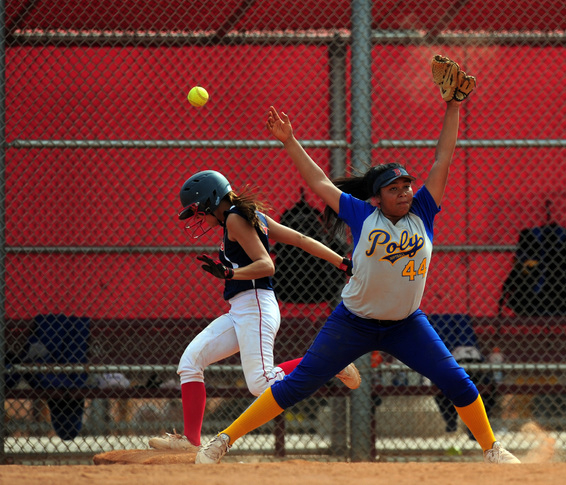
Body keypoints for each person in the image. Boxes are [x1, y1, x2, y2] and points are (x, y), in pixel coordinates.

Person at [195, 61, 520, 464]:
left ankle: (492, 448)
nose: (404, 193)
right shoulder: (363, 216)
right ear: (377, 198)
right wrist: (290, 141)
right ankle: (222, 440)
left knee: (457, 381)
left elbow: (443, 159)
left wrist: (452, 106)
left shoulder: (424, 212)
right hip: (352, 322)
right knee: (297, 385)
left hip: (406, 324)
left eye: (407, 186)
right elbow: (320, 184)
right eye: (394, 189)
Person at [148, 169, 361, 451]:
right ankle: (190, 441)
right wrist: (340, 261)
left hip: (256, 304)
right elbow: (300, 239)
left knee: (261, 384)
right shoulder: (245, 216)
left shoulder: (235, 218)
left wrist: (228, 273)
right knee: (191, 362)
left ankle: (332, 363)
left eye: (199, 209)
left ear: (213, 199)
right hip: (242, 308)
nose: (199, 217)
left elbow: (266, 265)